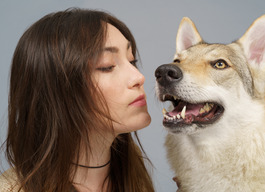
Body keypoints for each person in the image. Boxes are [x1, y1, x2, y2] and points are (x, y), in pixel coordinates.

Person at [0, 8, 154, 192]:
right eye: (107, 66)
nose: (138, 77)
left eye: (132, 61)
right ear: (57, 91)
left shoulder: (132, 169)